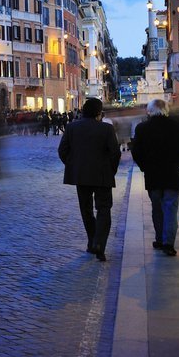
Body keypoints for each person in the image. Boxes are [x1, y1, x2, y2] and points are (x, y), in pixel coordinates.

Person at [58, 97, 121, 261]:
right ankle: (99, 244)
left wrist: (74, 165)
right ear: (99, 113)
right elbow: (115, 153)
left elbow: (62, 151)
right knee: (104, 209)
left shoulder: (72, 127)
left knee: (86, 209)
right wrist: (110, 170)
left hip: (81, 175)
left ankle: (92, 241)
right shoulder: (107, 129)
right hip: (102, 175)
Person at [131, 99, 179, 256]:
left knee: (157, 208)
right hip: (172, 174)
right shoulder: (177, 126)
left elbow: (136, 151)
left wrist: (144, 167)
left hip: (153, 175)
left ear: (149, 111)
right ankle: (168, 243)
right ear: (167, 110)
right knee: (171, 209)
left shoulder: (142, 128)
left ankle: (159, 238)